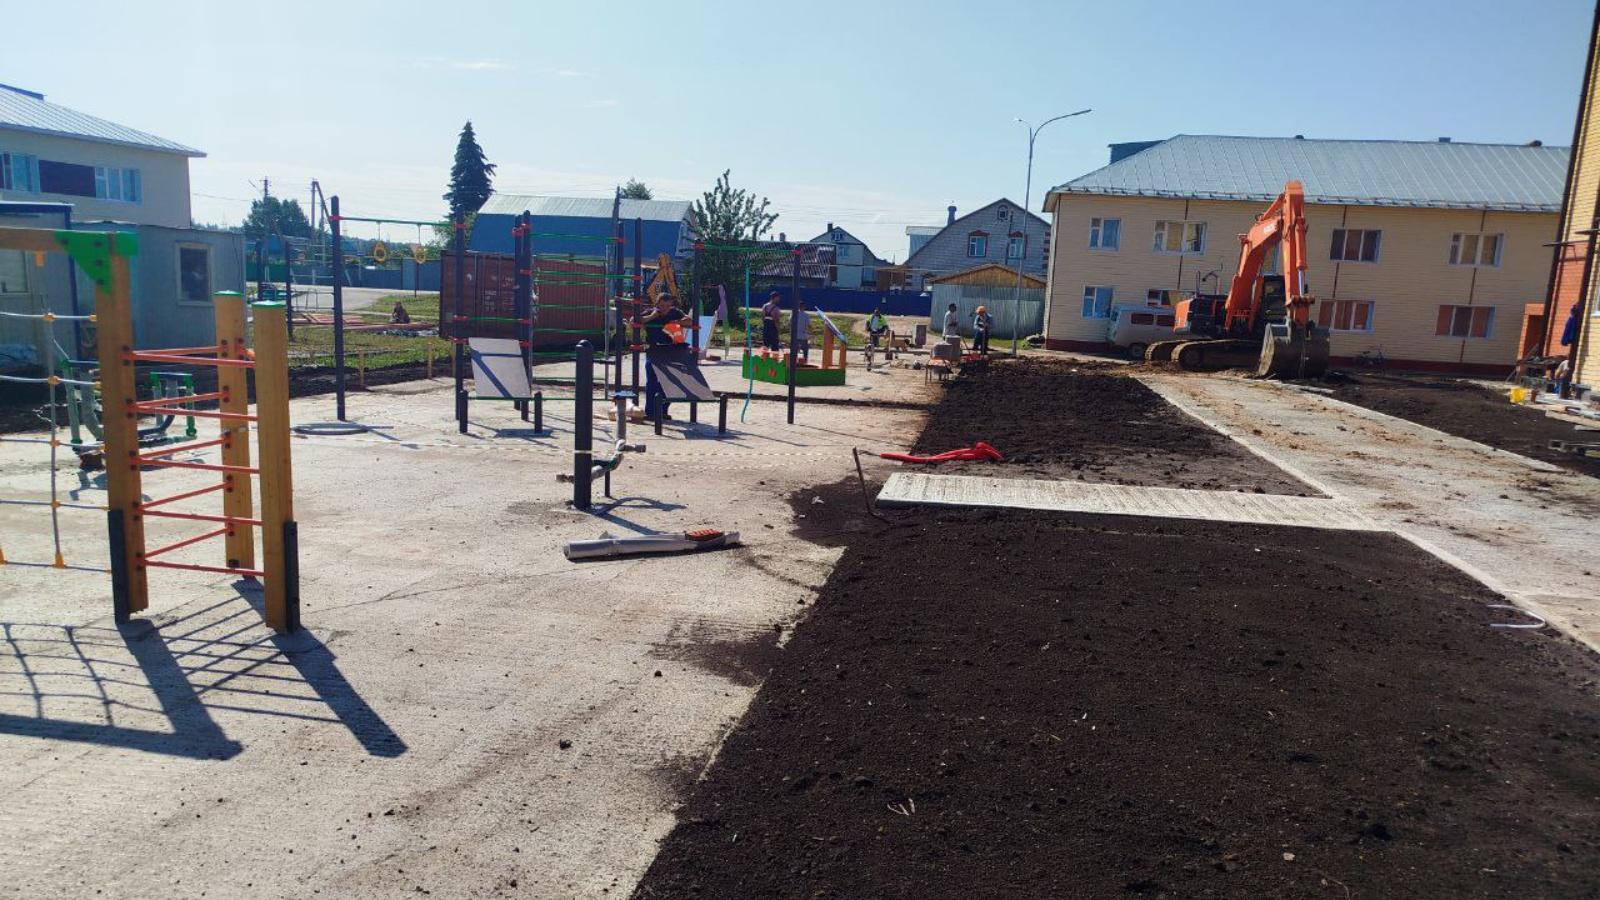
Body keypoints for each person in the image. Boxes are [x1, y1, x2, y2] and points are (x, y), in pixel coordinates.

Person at [639, 291, 687, 420]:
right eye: (662, 306)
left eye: (667, 306)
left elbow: (689, 320)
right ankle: (650, 412)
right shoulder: (651, 311)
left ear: (671, 304)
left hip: (670, 350)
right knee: (652, 381)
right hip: (653, 350)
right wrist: (652, 317)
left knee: (670, 381)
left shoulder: (675, 312)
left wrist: (676, 322)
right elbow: (635, 320)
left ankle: (663, 410)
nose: (665, 309)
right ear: (657, 304)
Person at [793, 298, 812, 363]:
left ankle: (794, 362)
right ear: (804, 307)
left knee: (794, 351)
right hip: (803, 336)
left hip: (795, 336)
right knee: (805, 350)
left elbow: (790, 324)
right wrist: (810, 334)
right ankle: (805, 362)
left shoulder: (794, 314)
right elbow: (809, 326)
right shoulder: (806, 315)